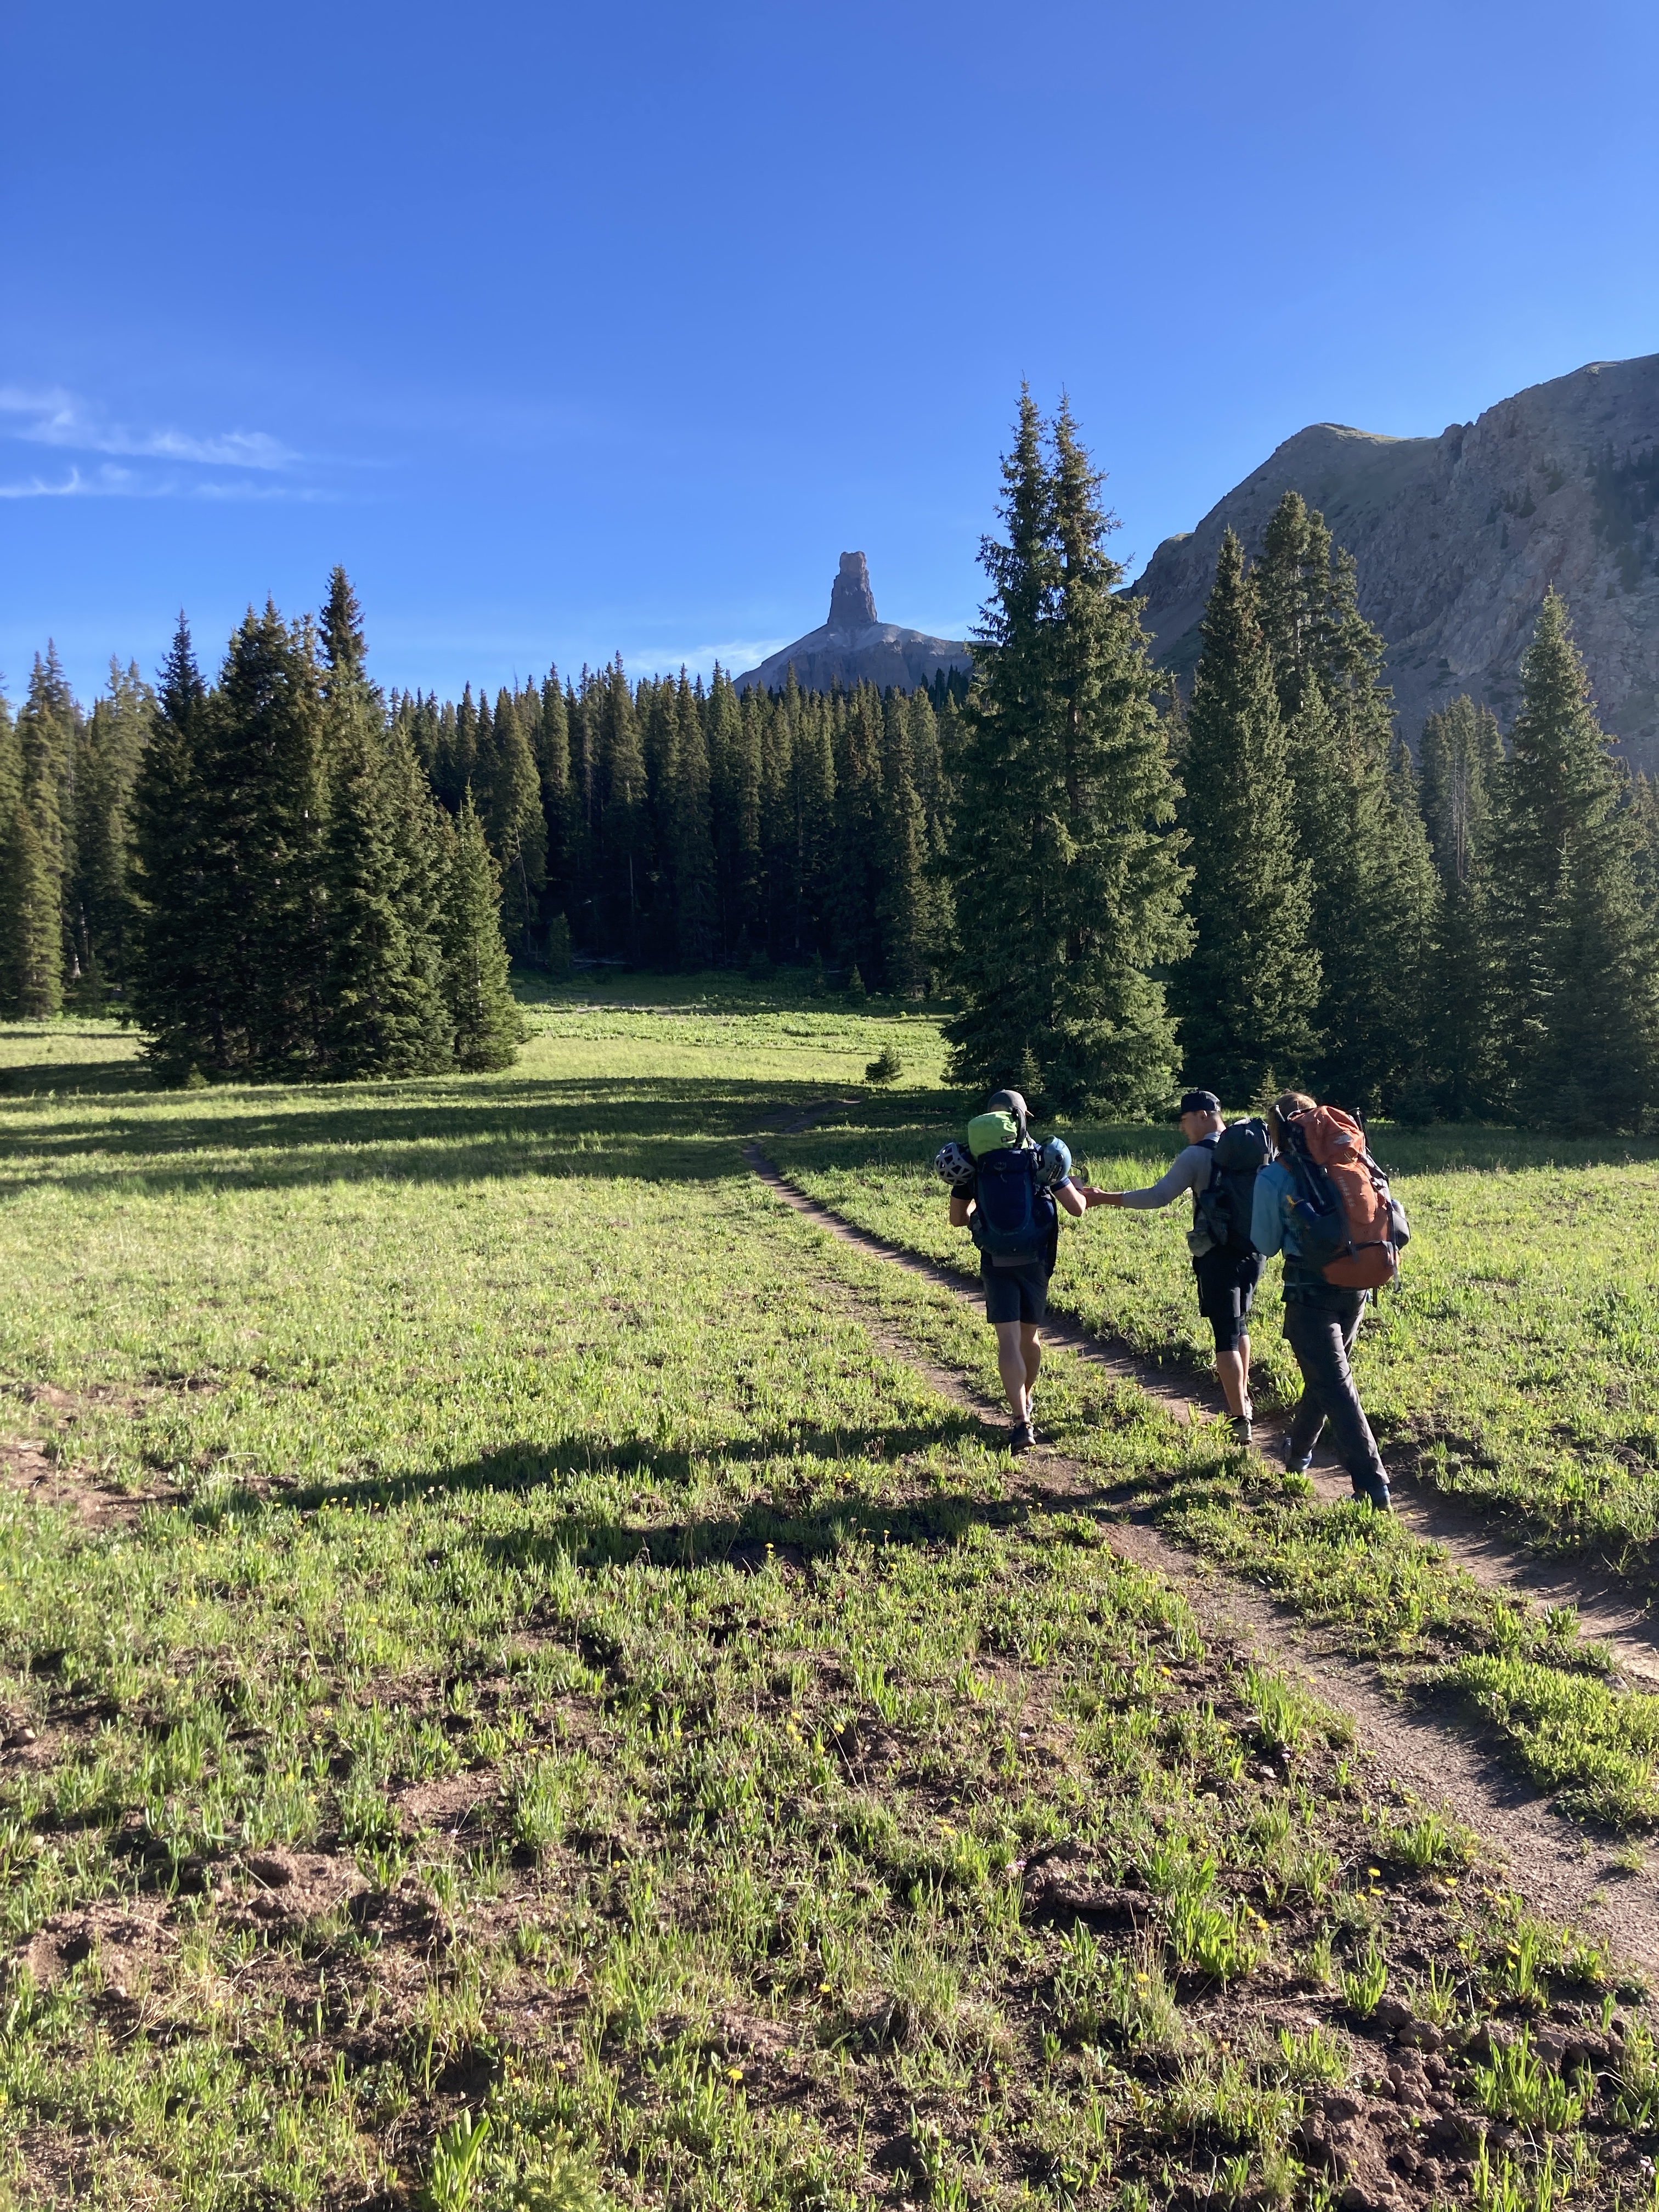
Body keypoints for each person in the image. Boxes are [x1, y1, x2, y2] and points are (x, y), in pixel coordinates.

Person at [1094, 1088, 1263, 1445]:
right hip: (1253, 1253)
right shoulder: (1251, 1146)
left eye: (1184, 1120)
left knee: (1225, 1336)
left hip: (1217, 1254)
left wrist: (1104, 1198)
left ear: (1203, 1115)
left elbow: (1158, 1196)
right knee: (1239, 1325)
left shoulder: (1197, 1155)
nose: (1182, 1128)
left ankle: (1238, 1419)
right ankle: (1243, 1398)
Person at [1251, 1090, 1392, 1512]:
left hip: (1310, 1291)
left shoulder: (1277, 1174)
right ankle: (1298, 1455)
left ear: (1276, 1130)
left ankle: (1373, 1484)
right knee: (1327, 1376)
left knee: (1335, 1384)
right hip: (1358, 1283)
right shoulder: (1352, 1159)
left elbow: (1265, 1243)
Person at [944, 1088, 1099, 1451]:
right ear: (1022, 1117)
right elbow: (1076, 1208)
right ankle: (1025, 1402)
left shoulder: (973, 1165)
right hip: (1036, 1259)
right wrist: (1079, 1190)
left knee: (1007, 1342)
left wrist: (980, 1217)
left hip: (996, 1260)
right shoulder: (1041, 1159)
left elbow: (956, 1219)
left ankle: (1021, 1420)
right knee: (1030, 1338)